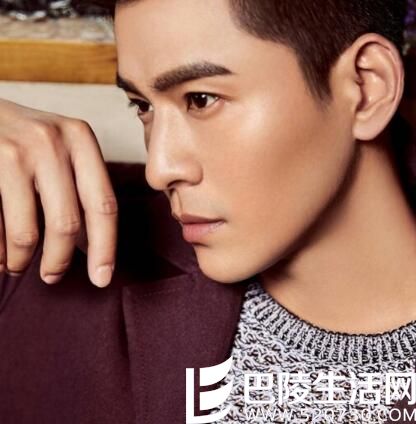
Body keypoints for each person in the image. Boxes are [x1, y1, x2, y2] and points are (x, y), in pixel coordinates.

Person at [0, 0, 415, 422]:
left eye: (201, 99)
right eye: (142, 105)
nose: (160, 169)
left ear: (367, 88)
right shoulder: (50, 243)